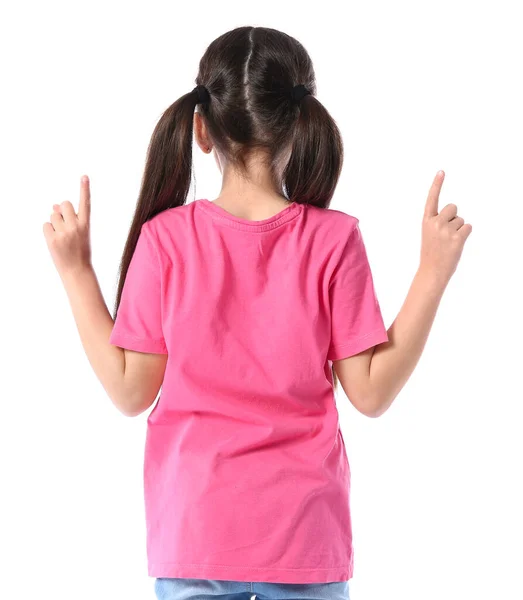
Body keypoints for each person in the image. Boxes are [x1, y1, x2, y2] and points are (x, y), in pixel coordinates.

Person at [42, 25, 472, 600]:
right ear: (299, 124)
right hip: (304, 540)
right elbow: (370, 393)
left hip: (194, 535)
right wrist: (433, 271)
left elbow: (129, 391)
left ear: (201, 129)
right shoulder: (334, 239)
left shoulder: (165, 240)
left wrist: (75, 272)